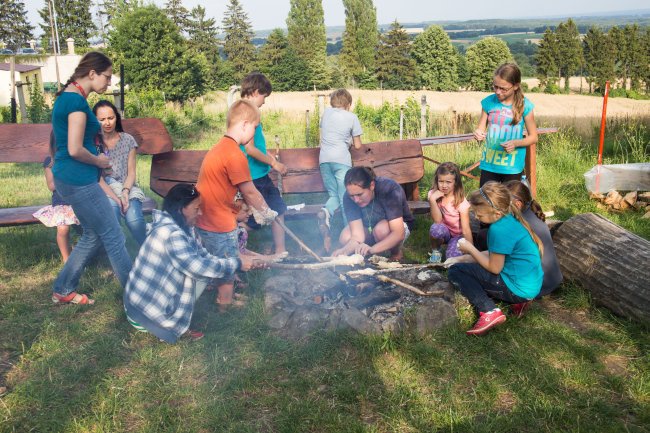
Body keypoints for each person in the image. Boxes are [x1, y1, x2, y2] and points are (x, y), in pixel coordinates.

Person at [123, 184, 258, 343]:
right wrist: (236, 264)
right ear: (182, 209)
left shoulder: (180, 226)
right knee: (201, 274)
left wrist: (239, 262)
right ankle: (172, 326)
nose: (200, 213)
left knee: (204, 270)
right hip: (143, 316)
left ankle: (172, 313)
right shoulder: (172, 234)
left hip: (136, 305)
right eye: (197, 208)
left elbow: (203, 256)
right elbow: (200, 267)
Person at [50, 51, 132, 305]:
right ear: (92, 73)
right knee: (113, 234)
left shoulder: (70, 97)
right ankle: (137, 296)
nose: (109, 84)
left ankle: (63, 288)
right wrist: (99, 161)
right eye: (107, 77)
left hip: (71, 177)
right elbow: (74, 148)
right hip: (79, 179)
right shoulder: (75, 102)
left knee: (93, 234)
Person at [195, 99, 277, 310]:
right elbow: (249, 190)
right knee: (226, 266)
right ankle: (225, 305)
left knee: (222, 257)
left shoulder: (220, 148)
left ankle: (224, 294)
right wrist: (266, 212)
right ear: (244, 124)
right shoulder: (234, 154)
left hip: (208, 216)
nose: (254, 132)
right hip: (218, 221)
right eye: (255, 127)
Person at [446, 182, 544, 336]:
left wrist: (471, 249)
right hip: (531, 288)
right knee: (461, 265)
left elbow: (495, 268)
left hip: (517, 288)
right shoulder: (509, 219)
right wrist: (464, 258)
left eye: (480, 214)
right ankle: (519, 303)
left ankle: (488, 310)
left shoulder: (498, 230)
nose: (477, 217)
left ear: (496, 213)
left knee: (455, 272)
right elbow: (495, 253)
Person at [239, 72, 288, 254]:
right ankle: (233, 240)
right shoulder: (245, 111)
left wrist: (270, 158)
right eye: (264, 96)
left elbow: (257, 145)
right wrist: (274, 164)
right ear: (256, 91)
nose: (264, 102)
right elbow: (249, 149)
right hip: (251, 177)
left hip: (261, 175)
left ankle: (280, 252)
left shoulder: (249, 111)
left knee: (278, 209)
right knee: (255, 220)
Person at [473, 63, 538, 186]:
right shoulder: (488, 102)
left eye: (503, 88)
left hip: (512, 167)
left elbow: (534, 137)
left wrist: (515, 143)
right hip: (489, 165)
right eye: (495, 86)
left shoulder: (525, 106)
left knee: (510, 203)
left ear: (516, 86)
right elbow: (480, 129)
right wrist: (478, 134)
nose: (498, 92)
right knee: (487, 203)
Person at [93, 100, 147, 245]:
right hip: (104, 189)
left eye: (111, 118)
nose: (107, 123)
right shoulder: (93, 143)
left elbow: (131, 173)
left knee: (134, 220)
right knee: (113, 210)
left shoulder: (128, 140)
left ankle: (147, 249)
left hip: (126, 186)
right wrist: (116, 198)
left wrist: (125, 192)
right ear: (95, 120)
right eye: (102, 119)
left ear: (116, 117)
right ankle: (117, 253)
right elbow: (97, 178)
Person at [332, 166, 414, 261]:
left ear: (372, 186)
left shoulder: (389, 189)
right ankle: (369, 254)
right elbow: (357, 235)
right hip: (370, 227)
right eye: (352, 196)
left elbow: (398, 233)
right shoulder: (348, 196)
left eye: (359, 194)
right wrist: (344, 251)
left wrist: (372, 249)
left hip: (396, 228)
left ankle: (395, 253)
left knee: (381, 230)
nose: (356, 200)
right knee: (345, 236)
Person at [317, 89, 363, 252]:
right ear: (348, 104)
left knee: (333, 195)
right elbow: (357, 145)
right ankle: (349, 233)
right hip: (341, 161)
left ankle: (326, 211)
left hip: (324, 161)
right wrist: (348, 140)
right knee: (346, 198)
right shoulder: (352, 117)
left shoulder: (326, 114)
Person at [505, 180, 562, 299]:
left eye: (504, 203)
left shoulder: (520, 224)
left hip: (539, 284)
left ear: (517, 204)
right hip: (552, 279)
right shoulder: (531, 214)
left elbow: (501, 256)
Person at [32, 132, 79, 263]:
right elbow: (51, 186)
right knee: (63, 228)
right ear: (54, 144)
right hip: (62, 202)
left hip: (79, 199)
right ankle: (67, 259)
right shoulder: (50, 162)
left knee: (91, 226)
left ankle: (81, 252)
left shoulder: (78, 158)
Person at [427, 162, 473, 263]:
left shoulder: (461, 202)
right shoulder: (433, 194)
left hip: (458, 235)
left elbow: (466, 230)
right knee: (435, 229)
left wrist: (471, 252)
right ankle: (436, 252)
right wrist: (432, 200)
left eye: (448, 182)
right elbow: (437, 220)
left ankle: (452, 250)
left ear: (455, 182)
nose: (444, 185)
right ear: (437, 180)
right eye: (441, 181)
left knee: (452, 260)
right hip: (444, 231)